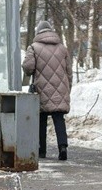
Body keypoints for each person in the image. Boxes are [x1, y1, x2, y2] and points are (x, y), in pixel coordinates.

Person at [23, 19, 73, 160]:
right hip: (60, 88)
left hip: (41, 88)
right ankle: (62, 147)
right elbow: (69, 71)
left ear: (38, 32)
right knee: (58, 118)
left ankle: (41, 150)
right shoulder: (62, 48)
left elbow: (28, 67)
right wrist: (68, 88)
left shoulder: (33, 47)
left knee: (41, 119)